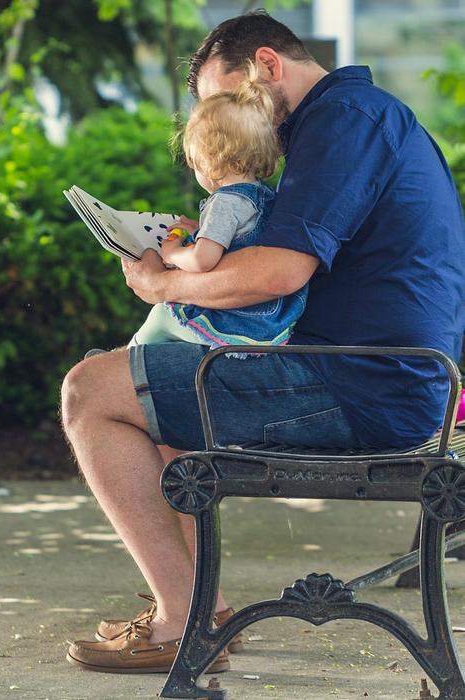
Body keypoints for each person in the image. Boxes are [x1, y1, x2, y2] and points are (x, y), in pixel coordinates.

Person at [62, 10, 465, 674]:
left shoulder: (345, 121)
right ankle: (203, 615)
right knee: (154, 397)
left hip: (362, 386)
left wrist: (164, 287)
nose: (227, 122)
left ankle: (177, 623)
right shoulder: (347, 120)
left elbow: (279, 273)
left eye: (227, 99)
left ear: (267, 66)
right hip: (373, 375)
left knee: (90, 390)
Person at [131, 64, 308, 350]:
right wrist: (201, 229)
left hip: (239, 324)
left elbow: (203, 261)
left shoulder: (224, 203)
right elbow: (236, 239)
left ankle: (127, 358)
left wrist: (174, 253)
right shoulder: (262, 196)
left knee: (163, 315)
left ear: (208, 158)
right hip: (271, 323)